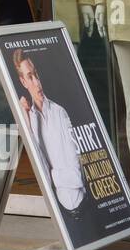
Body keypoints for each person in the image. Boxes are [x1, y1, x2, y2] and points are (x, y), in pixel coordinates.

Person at [13, 50, 87, 218]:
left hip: (80, 207)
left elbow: (76, 175)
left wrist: (52, 175)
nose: (37, 82)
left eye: (36, 74)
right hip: (58, 211)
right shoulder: (29, 118)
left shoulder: (59, 112)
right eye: (30, 77)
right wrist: (25, 124)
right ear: (23, 82)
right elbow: (40, 171)